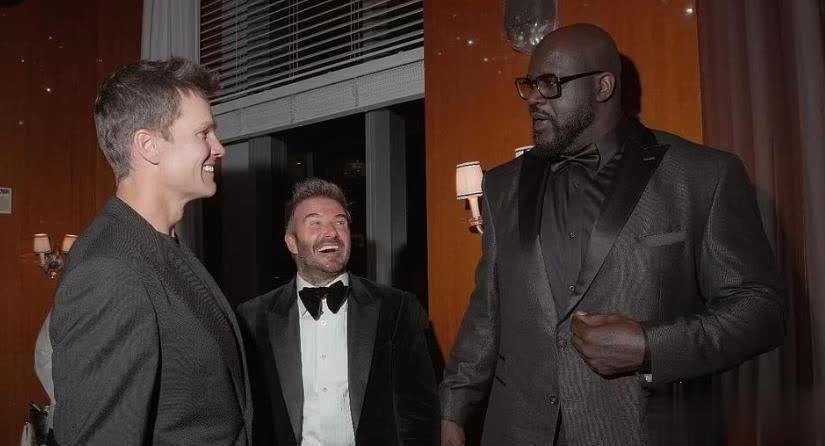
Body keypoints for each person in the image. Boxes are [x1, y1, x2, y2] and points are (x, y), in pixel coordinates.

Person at [439, 24, 786, 445]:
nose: (533, 98)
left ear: (603, 86)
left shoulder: (702, 176)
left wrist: (650, 346)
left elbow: (761, 311)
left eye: (550, 84)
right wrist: (453, 409)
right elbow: (486, 313)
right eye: (529, 85)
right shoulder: (500, 186)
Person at [49, 58, 252, 445]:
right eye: (204, 133)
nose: (219, 148)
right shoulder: (108, 273)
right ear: (149, 146)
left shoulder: (161, 246)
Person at [237, 178, 438, 446]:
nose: (331, 232)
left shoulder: (397, 308)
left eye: (340, 222)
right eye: (315, 223)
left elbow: (420, 415)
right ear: (292, 243)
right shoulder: (253, 318)